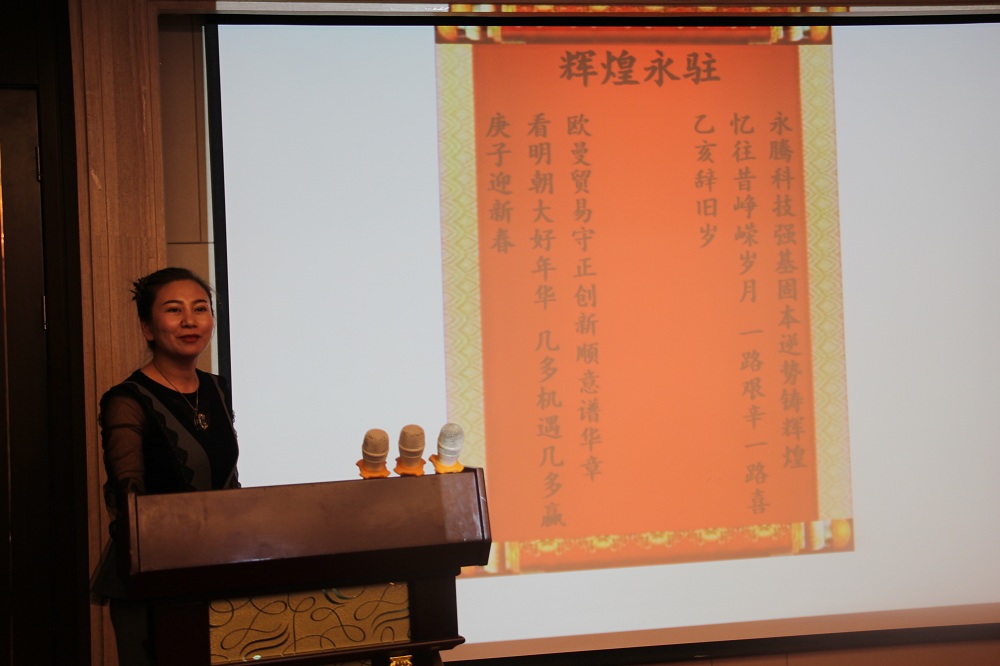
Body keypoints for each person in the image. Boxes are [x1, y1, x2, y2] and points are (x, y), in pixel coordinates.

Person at [93, 267, 240, 665]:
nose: (190, 321)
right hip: (154, 583)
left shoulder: (217, 388)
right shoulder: (127, 400)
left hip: (218, 572)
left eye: (200, 308)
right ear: (148, 327)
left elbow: (228, 483)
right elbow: (126, 502)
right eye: (174, 310)